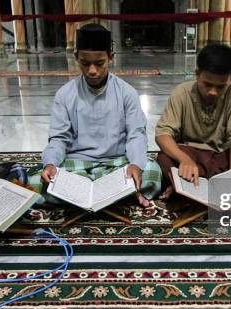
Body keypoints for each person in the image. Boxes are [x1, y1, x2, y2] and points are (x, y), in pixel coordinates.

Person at [40, 23, 162, 206]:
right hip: (77, 165)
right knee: (38, 181)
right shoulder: (65, 94)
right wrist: (50, 164)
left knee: (153, 173)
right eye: (85, 63)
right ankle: (118, 197)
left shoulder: (126, 93)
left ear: (111, 58)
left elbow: (136, 134)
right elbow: (58, 138)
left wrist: (135, 164)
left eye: (99, 63)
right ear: (76, 58)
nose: (92, 71)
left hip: (117, 164)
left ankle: (80, 199)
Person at [155, 43, 231, 199]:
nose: (213, 92)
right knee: (164, 159)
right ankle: (191, 184)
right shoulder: (182, 93)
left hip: (222, 156)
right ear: (197, 74)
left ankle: (185, 188)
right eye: (207, 84)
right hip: (191, 154)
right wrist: (184, 159)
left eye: (221, 87)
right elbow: (162, 134)